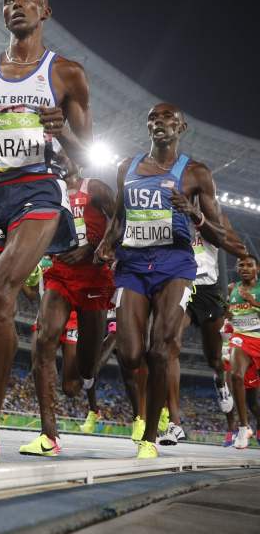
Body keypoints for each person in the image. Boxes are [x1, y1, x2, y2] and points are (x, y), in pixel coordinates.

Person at [0, 0, 92, 464]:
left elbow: (85, 159)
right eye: (8, 1)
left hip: (38, 191)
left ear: (45, 10)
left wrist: (63, 135)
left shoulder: (67, 74)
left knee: (0, 296)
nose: (17, 5)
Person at [97, 103, 226, 459]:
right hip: (133, 266)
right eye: (153, 118)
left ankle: (151, 436)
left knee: (160, 349)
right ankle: (150, 419)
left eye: (168, 118)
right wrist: (107, 242)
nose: (159, 123)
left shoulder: (196, 174)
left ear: (181, 126)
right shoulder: (128, 167)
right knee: (129, 354)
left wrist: (195, 214)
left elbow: (218, 235)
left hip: (176, 267)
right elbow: (120, 218)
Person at [21, 149, 115, 456]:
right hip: (58, 275)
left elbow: (120, 221)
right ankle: (49, 435)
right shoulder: (46, 192)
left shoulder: (96, 188)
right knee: (43, 341)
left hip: (94, 278)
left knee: (82, 375)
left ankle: (104, 351)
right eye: (54, 156)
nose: (59, 159)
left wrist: (93, 249)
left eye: (65, 154)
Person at [159, 216, 247, 446]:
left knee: (216, 360)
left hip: (208, 291)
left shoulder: (212, 218)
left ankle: (220, 383)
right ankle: (175, 424)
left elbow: (239, 247)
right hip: (182, 285)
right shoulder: (170, 216)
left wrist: (202, 221)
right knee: (171, 343)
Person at [227, 254, 260, 448]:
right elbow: (229, 312)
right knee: (236, 376)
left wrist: (253, 302)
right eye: (242, 265)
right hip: (241, 339)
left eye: (250, 265)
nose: (245, 268)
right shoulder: (232, 288)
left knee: (253, 401)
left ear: (257, 269)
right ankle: (243, 427)